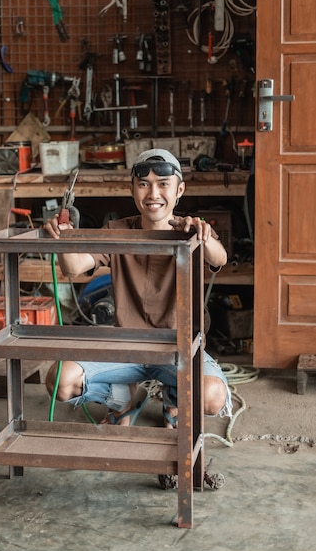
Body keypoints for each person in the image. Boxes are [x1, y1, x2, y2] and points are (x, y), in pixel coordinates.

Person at [43, 148, 232, 428]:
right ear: (132, 190)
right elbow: (73, 267)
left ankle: (174, 400)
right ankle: (123, 400)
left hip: (177, 348)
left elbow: (220, 258)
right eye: (144, 184)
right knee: (61, 381)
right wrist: (64, 236)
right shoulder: (117, 231)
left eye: (163, 184)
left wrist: (202, 235)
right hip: (126, 345)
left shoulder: (191, 230)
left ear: (179, 190)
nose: (153, 194)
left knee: (211, 396)